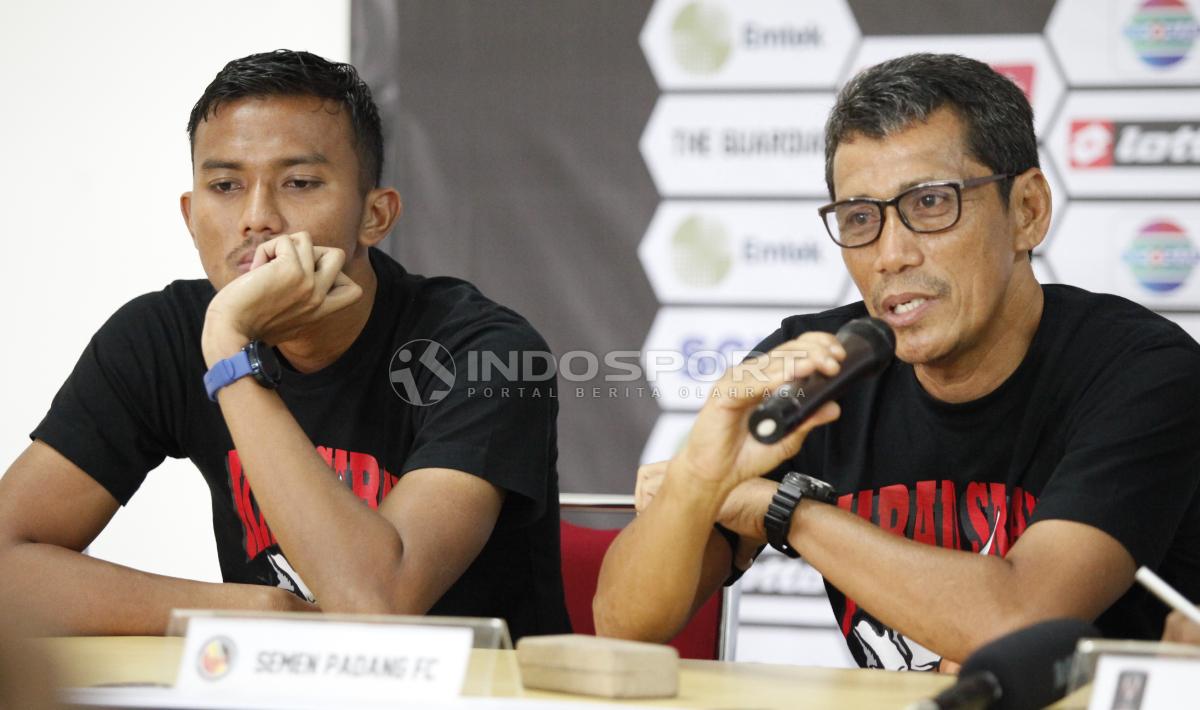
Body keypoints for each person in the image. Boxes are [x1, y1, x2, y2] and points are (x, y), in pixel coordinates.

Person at [594, 53, 1200, 670]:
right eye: (861, 218)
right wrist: (698, 479)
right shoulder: (818, 366)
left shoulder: (1142, 372)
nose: (891, 254)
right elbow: (623, 623)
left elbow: (1017, 620)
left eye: (932, 203)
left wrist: (785, 512)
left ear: (1027, 211)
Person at [0, 49, 570, 642]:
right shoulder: (158, 337)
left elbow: (375, 605)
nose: (257, 218)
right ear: (191, 216)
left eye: (299, 183)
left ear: (374, 216)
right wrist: (252, 614)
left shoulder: (484, 352)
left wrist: (228, 349)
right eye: (225, 185)